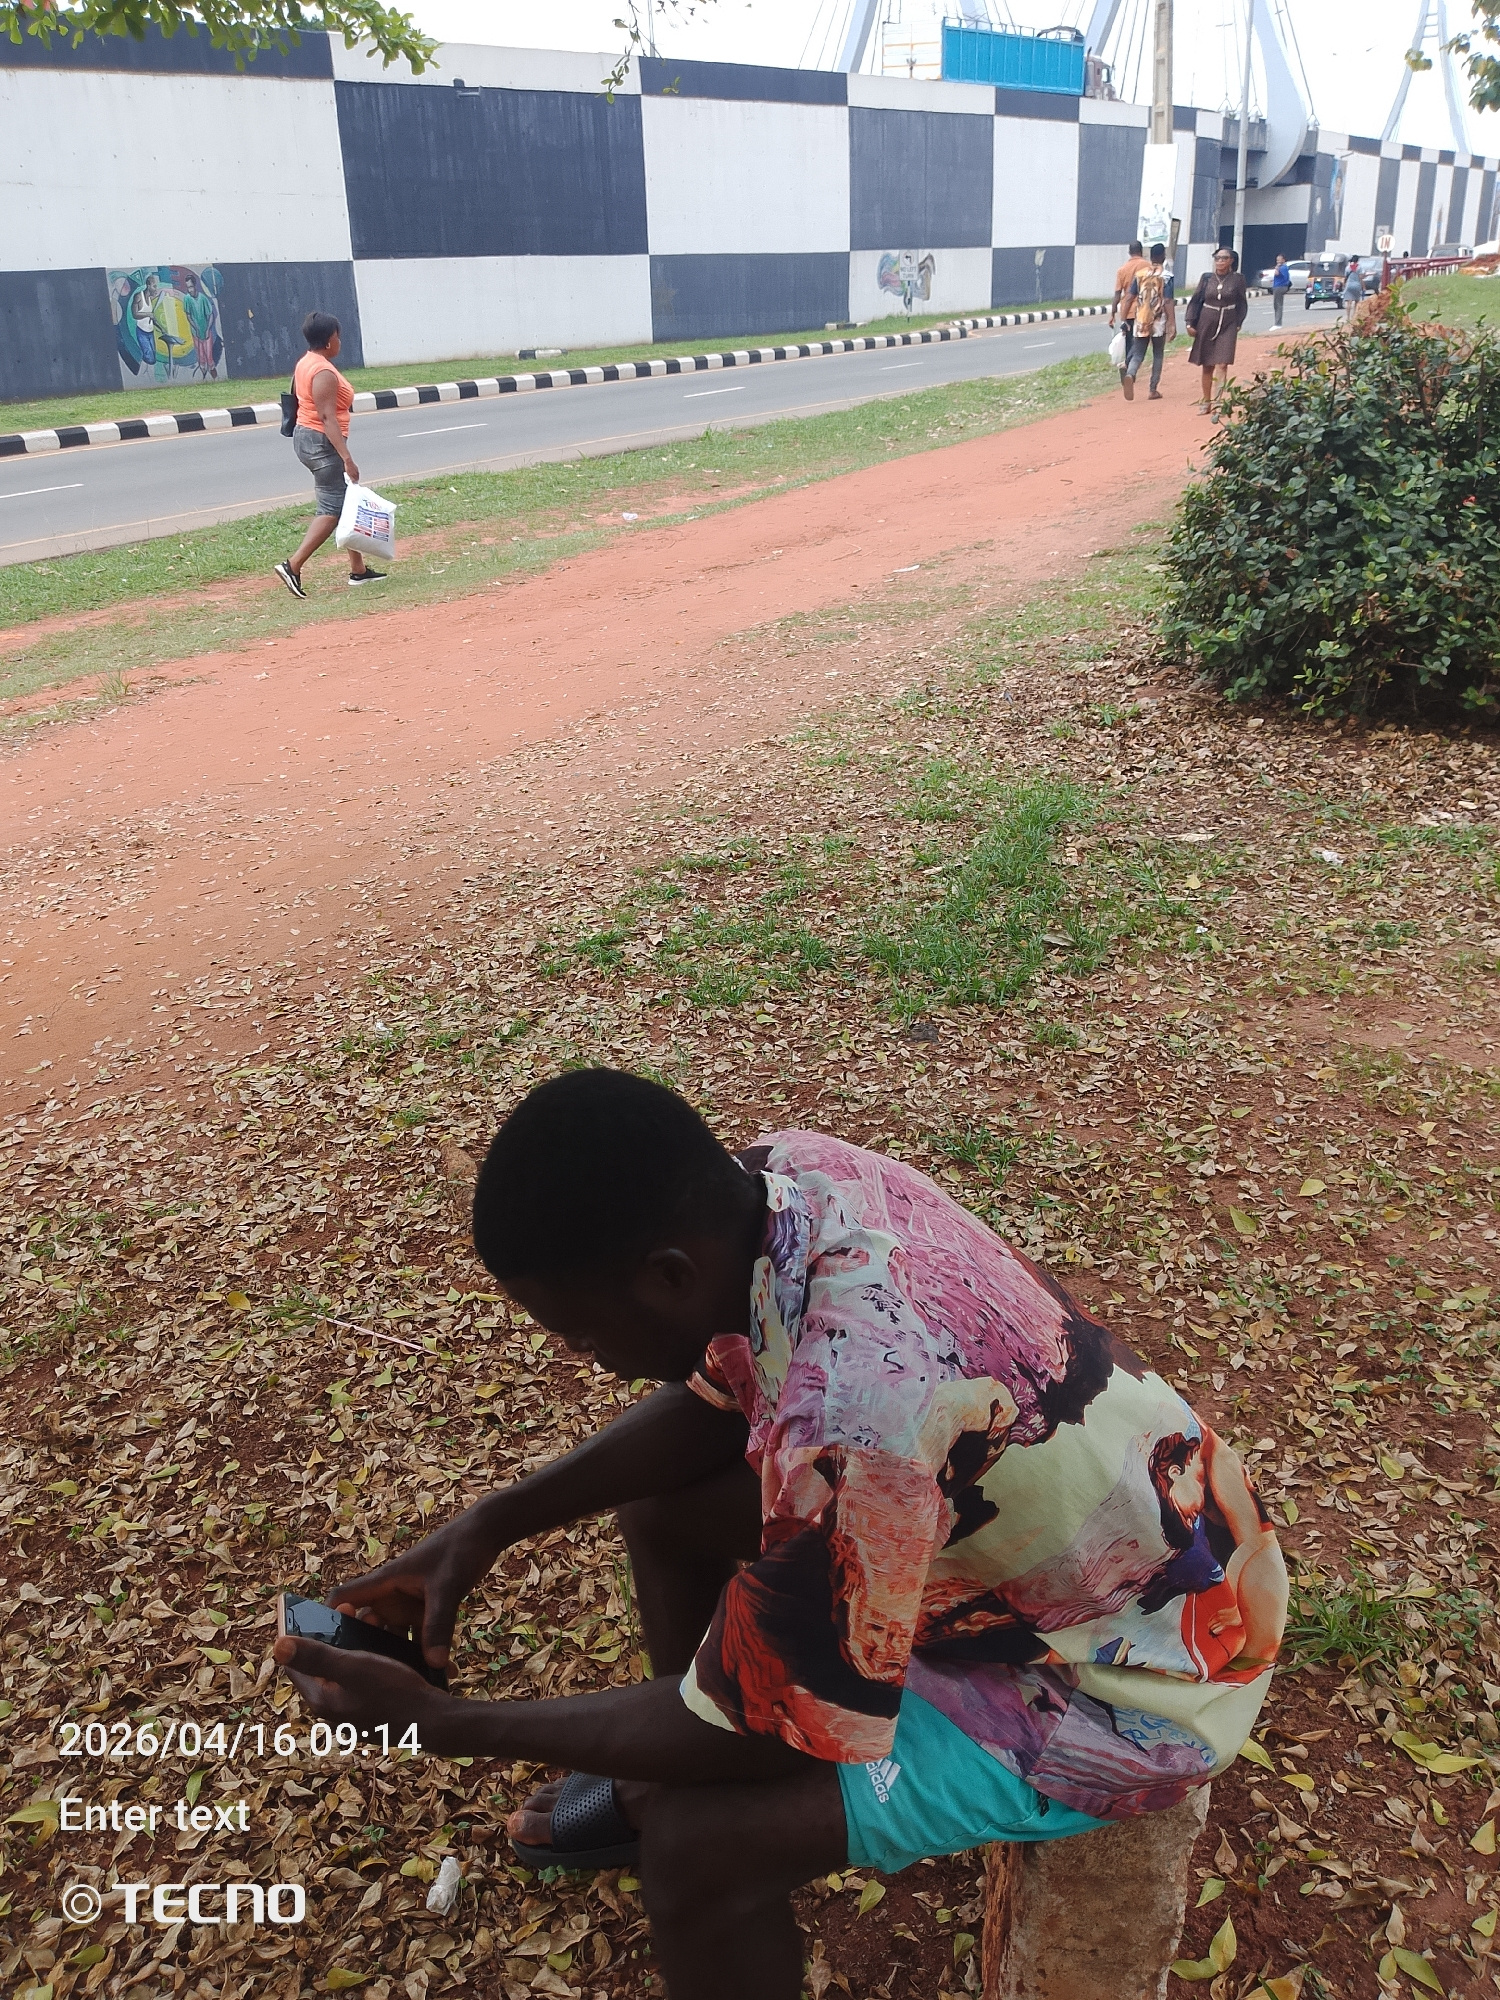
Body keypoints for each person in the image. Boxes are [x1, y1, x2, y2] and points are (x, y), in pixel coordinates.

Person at [274, 1070, 1287, 2000]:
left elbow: (764, 1734)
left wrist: (450, 1723)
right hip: (1118, 1550)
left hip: (1131, 1686)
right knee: (661, 1509)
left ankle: (675, 1777)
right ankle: (667, 1760)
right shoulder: (790, 1178)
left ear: (669, 1275)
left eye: (579, 1333)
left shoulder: (859, 1419)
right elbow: (721, 1388)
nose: (580, 1357)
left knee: (698, 1849)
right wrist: (488, 1524)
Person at [273, 310, 383, 599]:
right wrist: (347, 458)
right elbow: (326, 417)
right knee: (332, 510)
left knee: (345, 503)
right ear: (329, 340)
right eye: (338, 337)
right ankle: (293, 565)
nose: (340, 342)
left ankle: (358, 570)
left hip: (308, 438)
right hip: (321, 442)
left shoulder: (307, 361)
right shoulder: (323, 372)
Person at [1185, 247, 1250, 416]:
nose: (1220, 261)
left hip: (1228, 323)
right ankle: (1206, 401)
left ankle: (1218, 403)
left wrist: (1238, 322)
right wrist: (1190, 323)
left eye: (1224, 258)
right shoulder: (1207, 278)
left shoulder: (1238, 279)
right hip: (1207, 322)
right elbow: (1195, 301)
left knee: (1222, 363)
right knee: (1207, 365)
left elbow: (1242, 303)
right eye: (1217, 258)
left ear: (1231, 261)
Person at [1120, 241, 1177, 401]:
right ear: (1163, 257)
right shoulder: (1166, 276)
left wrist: (1124, 319)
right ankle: (1152, 390)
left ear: (1150, 257)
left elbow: (1129, 298)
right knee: (1158, 354)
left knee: (1138, 353)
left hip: (1140, 319)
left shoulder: (1140, 274)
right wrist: (1172, 324)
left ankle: (1131, 374)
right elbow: (1168, 301)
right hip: (1158, 320)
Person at [1110, 237, 1152, 373]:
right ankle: (1131, 367)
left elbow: (1117, 294)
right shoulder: (1148, 267)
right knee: (1141, 340)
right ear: (1141, 251)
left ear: (1129, 252)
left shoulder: (1122, 270)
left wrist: (1112, 314)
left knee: (1129, 341)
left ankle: (1128, 368)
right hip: (1144, 310)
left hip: (1127, 311)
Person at [1342, 254, 1366, 321]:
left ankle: (1348, 317)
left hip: (1349, 285)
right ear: (1357, 260)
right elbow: (1361, 278)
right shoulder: (1359, 268)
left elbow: (1345, 278)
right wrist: (1364, 287)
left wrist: (1344, 285)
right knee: (1356, 302)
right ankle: (1354, 317)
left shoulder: (1348, 268)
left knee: (1349, 303)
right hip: (1357, 285)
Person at [1270, 252, 1291, 327]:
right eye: (1277, 260)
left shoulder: (1282, 267)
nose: (1278, 261)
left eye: (1279, 260)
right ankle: (1277, 323)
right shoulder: (1285, 267)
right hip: (1279, 286)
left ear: (1283, 260)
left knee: (1278, 305)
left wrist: (1276, 267)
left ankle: (1278, 324)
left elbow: (1277, 273)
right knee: (1277, 305)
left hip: (1279, 287)